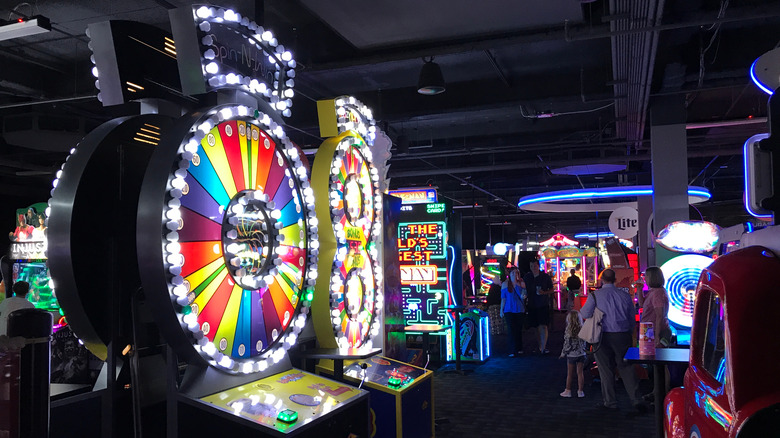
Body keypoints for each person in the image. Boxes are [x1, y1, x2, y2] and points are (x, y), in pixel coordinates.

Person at [580, 269, 645, 413]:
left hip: (602, 335)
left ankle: (610, 402)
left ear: (602, 279)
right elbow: (631, 316)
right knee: (626, 367)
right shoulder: (625, 295)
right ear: (615, 279)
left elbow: (584, 313)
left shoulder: (595, 295)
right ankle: (636, 400)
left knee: (605, 369)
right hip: (622, 334)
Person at [523, 261, 554, 354]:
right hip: (532, 305)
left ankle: (543, 347)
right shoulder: (527, 277)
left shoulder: (545, 277)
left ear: (538, 266)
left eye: (535, 265)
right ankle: (540, 346)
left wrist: (544, 293)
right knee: (536, 327)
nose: (533, 267)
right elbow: (523, 289)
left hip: (543, 304)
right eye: (531, 266)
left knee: (543, 325)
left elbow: (552, 289)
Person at [636, 267, 671, 348]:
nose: (644, 279)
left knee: (654, 357)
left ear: (652, 277)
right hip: (649, 330)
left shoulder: (657, 293)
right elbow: (642, 304)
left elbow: (659, 315)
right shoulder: (653, 291)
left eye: (646, 276)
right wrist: (639, 290)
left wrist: (657, 336)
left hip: (656, 331)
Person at [559, 310, 587, 398]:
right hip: (581, 353)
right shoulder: (583, 328)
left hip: (571, 355)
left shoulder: (569, 330)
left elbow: (567, 344)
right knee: (580, 373)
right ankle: (580, 391)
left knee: (570, 374)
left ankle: (568, 390)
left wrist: (563, 353)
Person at [500, 267, 527, 357]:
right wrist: (501, 309)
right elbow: (503, 298)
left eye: (516, 273)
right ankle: (512, 349)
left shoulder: (521, 283)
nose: (514, 274)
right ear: (510, 274)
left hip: (519, 309)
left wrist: (524, 295)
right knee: (511, 330)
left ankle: (519, 348)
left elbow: (524, 296)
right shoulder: (505, 284)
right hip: (509, 309)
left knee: (518, 329)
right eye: (513, 273)